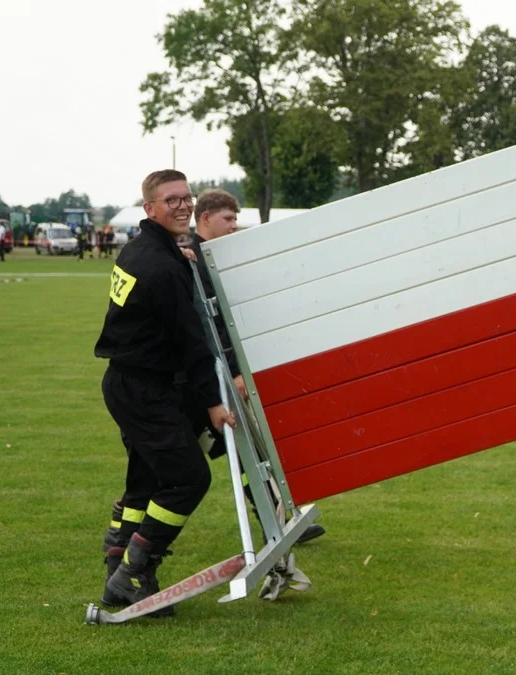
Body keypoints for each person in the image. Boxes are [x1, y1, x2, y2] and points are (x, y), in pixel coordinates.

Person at [95, 170, 236, 616]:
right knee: (189, 479)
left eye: (185, 198)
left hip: (132, 382)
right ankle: (134, 573)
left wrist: (183, 258)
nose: (182, 205)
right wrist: (215, 403)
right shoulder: (159, 265)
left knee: (147, 480)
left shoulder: (145, 249)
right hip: (143, 388)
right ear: (150, 208)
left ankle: (120, 570)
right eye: (170, 200)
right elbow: (191, 342)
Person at [186, 189, 327, 544]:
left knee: (252, 450)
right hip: (204, 377)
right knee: (174, 464)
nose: (234, 227)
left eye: (236, 219)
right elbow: (211, 328)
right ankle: (124, 529)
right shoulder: (191, 260)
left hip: (218, 372)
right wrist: (233, 372)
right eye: (227, 219)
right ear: (205, 218)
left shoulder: (217, 255)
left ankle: (276, 524)